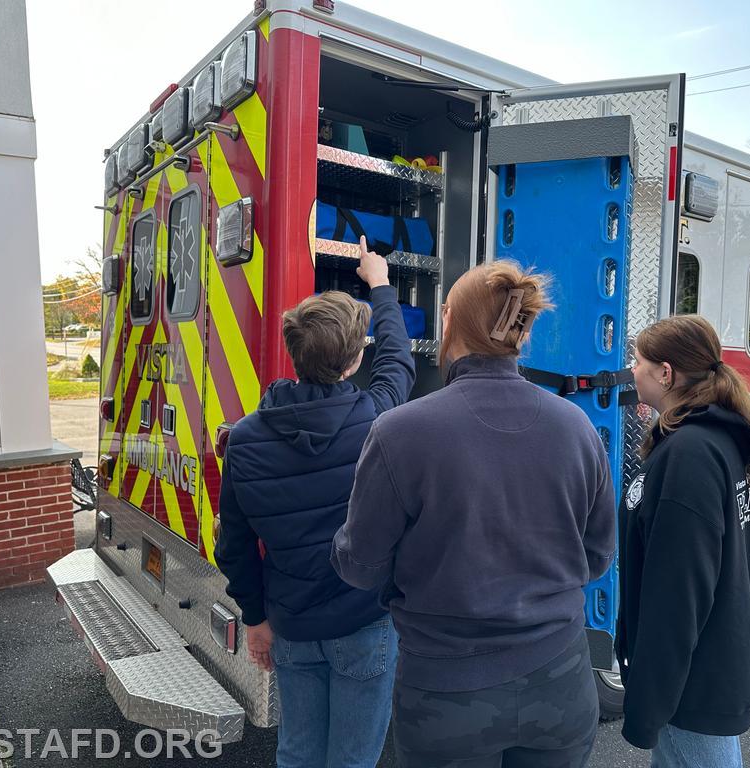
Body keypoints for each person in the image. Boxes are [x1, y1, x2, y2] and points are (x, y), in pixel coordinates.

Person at [332, 261, 617, 768]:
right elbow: (597, 557)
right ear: (522, 333)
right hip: (561, 682)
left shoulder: (400, 431)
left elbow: (360, 566)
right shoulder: (576, 427)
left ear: (448, 321)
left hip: (445, 691)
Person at [215, 236, 415, 768]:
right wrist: (381, 286)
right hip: (364, 624)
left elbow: (232, 544)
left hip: (291, 626)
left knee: (298, 754)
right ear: (353, 362)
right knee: (352, 760)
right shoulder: (377, 422)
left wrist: (255, 618)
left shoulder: (246, 438)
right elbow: (398, 361)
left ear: (295, 354)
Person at [617, 315, 750, 767]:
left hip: (692, 686)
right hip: (706, 669)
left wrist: (648, 702)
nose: (631, 370)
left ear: (665, 373)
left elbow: (678, 594)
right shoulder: (706, 441)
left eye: (637, 361)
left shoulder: (690, 454)